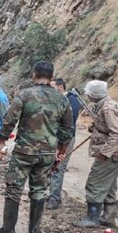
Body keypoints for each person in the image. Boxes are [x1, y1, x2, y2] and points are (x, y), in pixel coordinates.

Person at [0, 61, 73, 233]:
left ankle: (8, 230)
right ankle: (34, 231)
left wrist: (1, 142)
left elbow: (9, 121)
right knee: (39, 190)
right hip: (46, 153)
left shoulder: (25, 94)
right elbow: (67, 130)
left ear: (33, 75)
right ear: (51, 77)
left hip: (23, 152)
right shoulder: (62, 99)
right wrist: (61, 151)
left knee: (14, 188)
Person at [74, 80, 118, 228]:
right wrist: (95, 128)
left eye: (88, 92)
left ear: (94, 94)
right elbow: (107, 128)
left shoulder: (107, 108)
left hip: (111, 155)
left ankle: (92, 218)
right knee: (108, 186)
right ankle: (108, 218)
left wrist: (104, 153)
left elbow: (117, 133)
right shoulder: (103, 105)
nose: (87, 95)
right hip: (114, 155)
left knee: (95, 183)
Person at [46, 78, 81, 210]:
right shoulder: (57, 100)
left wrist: (62, 145)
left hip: (65, 139)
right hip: (55, 138)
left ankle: (54, 198)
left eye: (52, 86)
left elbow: (69, 123)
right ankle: (53, 195)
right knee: (51, 166)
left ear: (60, 87)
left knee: (58, 167)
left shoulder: (71, 100)